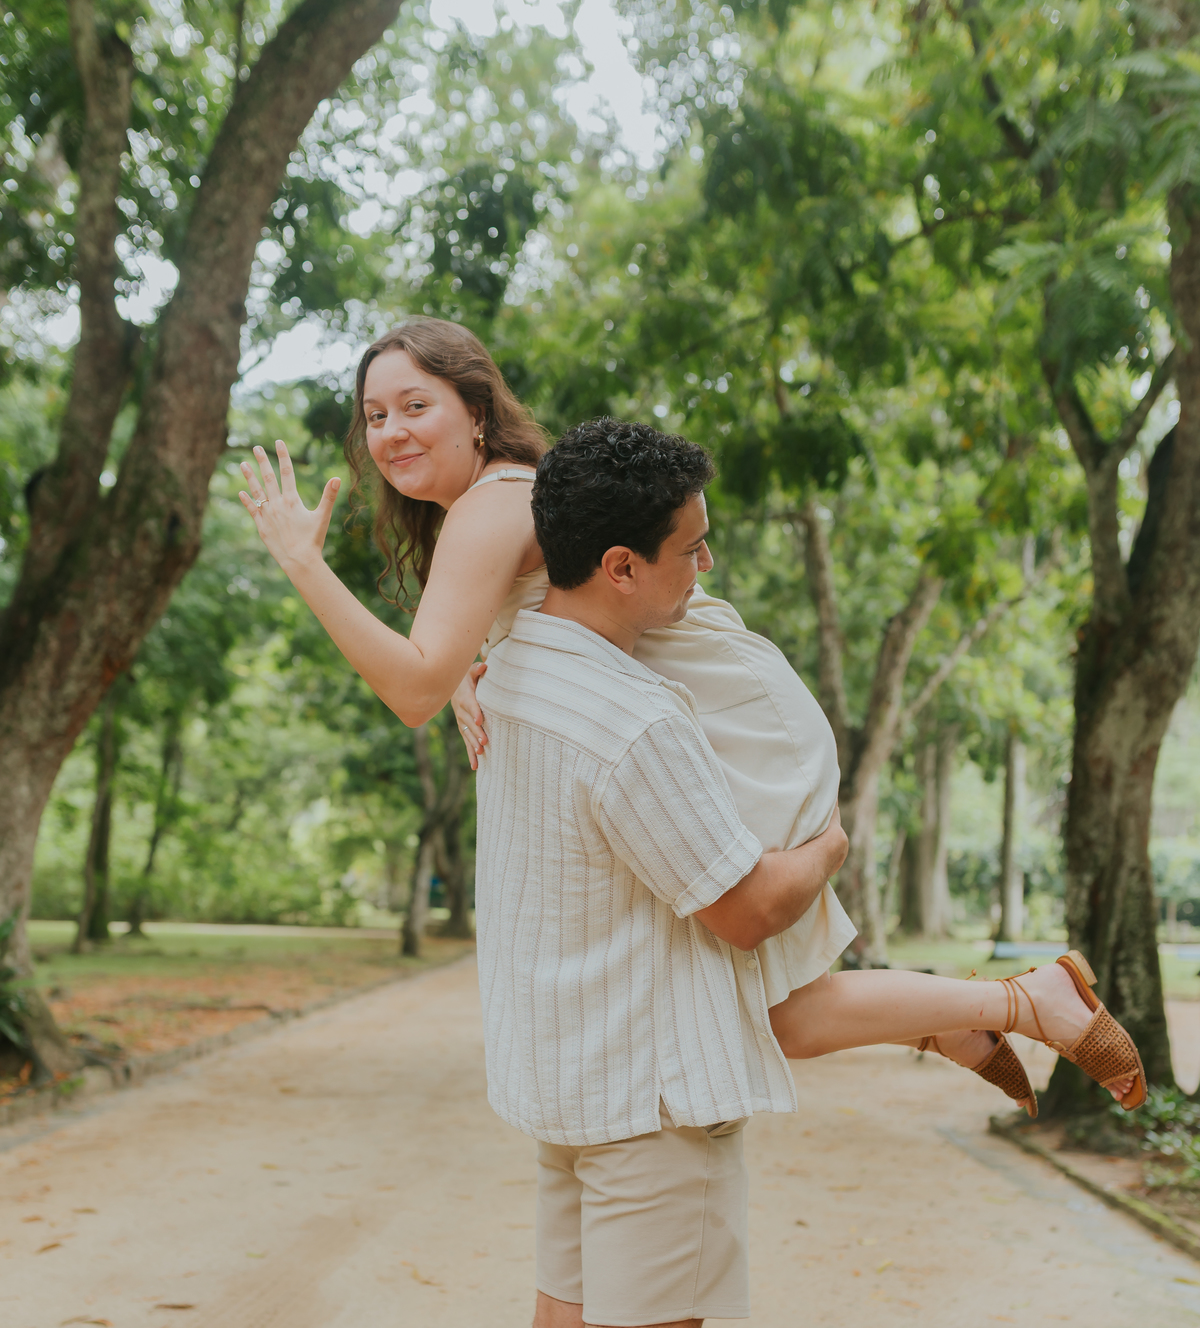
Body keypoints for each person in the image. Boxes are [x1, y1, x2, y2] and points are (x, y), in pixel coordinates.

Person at [237, 319, 1146, 1119]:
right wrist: (479, 666)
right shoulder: (496, 501)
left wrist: (304, 564)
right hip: (727, 706)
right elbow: (496, 640)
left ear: (474, 409)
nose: (390, 431)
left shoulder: (489, 503)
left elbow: (413, 688)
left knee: (774, 993)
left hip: (724, 715)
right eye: (374, 416)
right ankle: (986, 1014)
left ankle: (1023, 1004)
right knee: (785, 1010)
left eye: (414, 404)